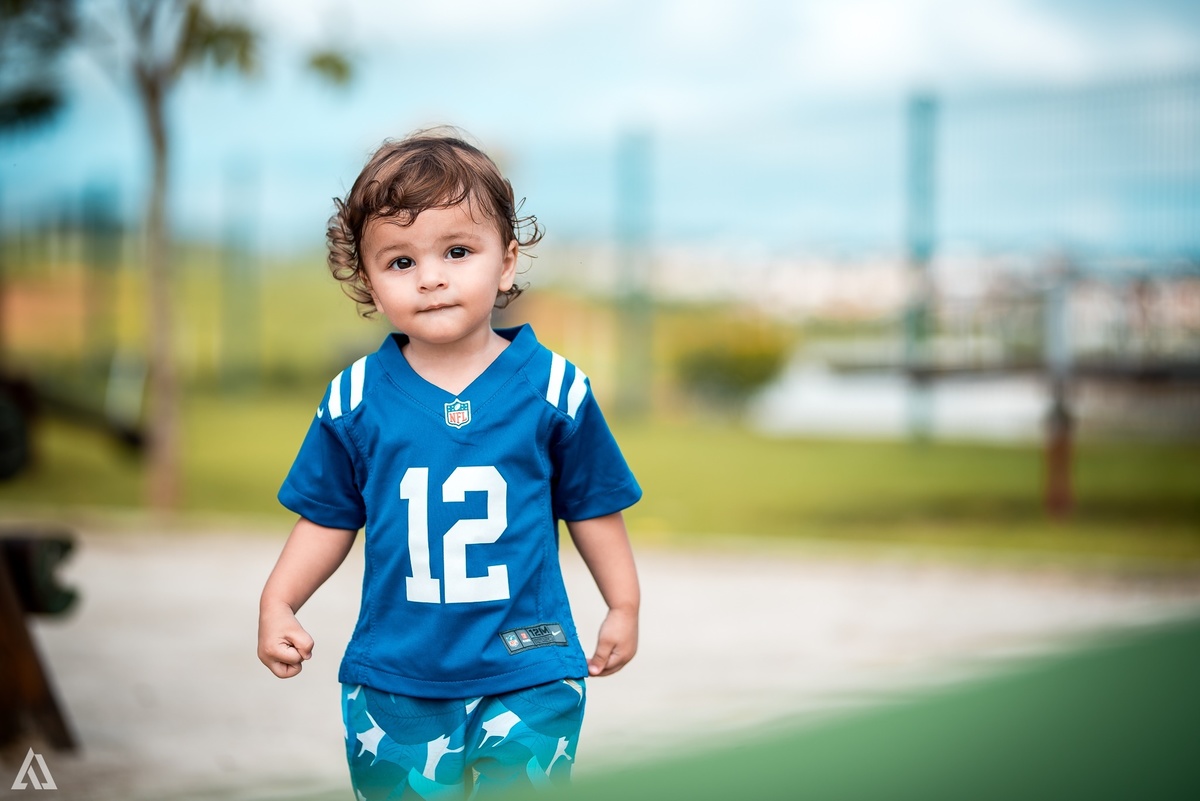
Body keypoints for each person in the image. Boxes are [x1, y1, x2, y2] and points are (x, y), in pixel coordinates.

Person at [256, 129, 642, 800]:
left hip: (530, 668)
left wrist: (624, 603)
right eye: (400, 262)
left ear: (506, 262)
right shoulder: (354, 399)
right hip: (397, 682)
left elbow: (592, 505)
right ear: (368, 283)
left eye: (457, 251)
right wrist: (279, 600)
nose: (431, 276)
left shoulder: (554, 388)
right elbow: (327, 516)